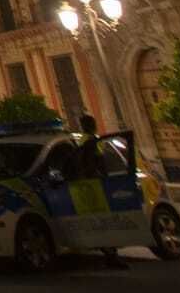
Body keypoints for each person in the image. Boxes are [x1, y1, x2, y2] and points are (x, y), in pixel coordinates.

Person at [76, 114, 127, 270]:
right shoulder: (90, 141)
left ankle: (110, 254)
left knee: (100, 220)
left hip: (92, 185)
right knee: (102, 220)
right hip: (95, 184)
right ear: (92, 125)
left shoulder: (86, 140)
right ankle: (111, 255)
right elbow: (92, 163)